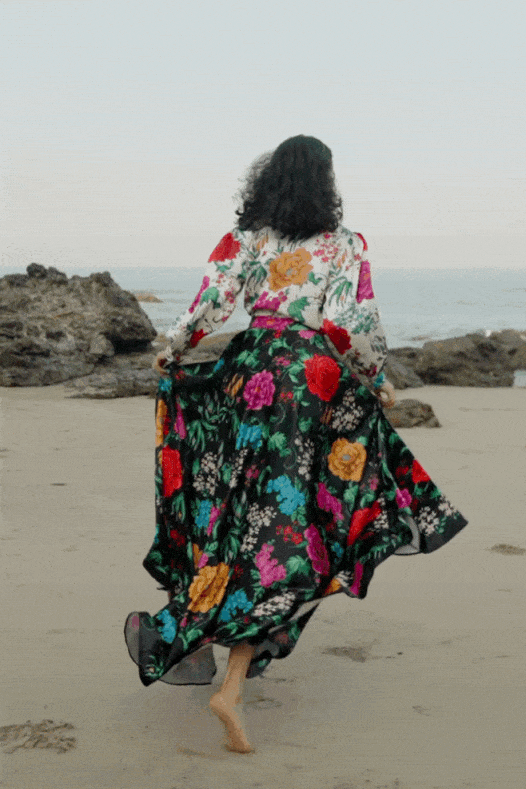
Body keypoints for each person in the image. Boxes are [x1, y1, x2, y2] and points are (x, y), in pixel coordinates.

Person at [124, 135, 467, 754]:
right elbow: (351, 322)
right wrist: (375, 377)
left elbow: (211, 302)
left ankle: (209, 645)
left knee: (239, 514)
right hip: (312, 378)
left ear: (267, 180)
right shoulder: (344, 244)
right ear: (326, 184)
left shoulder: (247, 239)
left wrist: (172, 349)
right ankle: (232, 680)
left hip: (251, 371)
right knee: (296, 522)